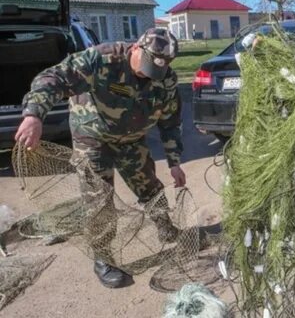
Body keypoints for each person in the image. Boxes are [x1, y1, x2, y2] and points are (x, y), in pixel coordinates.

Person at [15, 28, 186, 289]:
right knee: (99, 198)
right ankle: (103, 259)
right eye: (148, 66)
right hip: (92, 137)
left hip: (131, 139)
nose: (148, 74)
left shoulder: (166, 80)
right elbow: (52, 77)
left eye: (158, 70)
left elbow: (170, 121)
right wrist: (34, 115)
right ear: (136, 49)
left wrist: (174, 162)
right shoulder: (101, 59)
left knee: (150, 186)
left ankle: (166, 227)